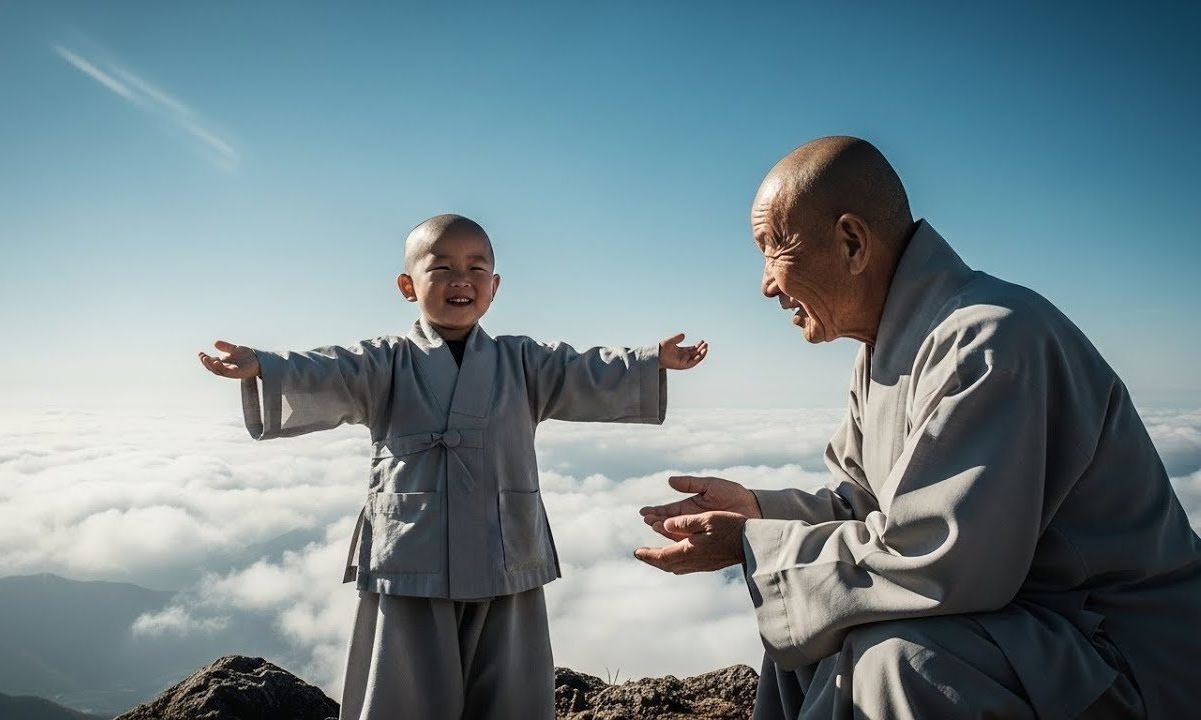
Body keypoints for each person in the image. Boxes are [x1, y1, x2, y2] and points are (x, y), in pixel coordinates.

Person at [634, 137, 1201, 719]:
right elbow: (867, 508)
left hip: (1120, 654)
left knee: (900, 662)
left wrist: (753, 546)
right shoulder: (884, 351)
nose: (765, 285)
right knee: (803, 634)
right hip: (1026, 627)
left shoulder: (988, 340)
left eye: (773, 247)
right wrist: (757, 509)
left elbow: (939, 558)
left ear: (852, 242)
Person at [199, 213, 707, 720]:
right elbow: (327, 368)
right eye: (440, 268)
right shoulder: (384, 362)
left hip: (504, 550)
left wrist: (645, 361)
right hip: (412, 556)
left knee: (511, 694)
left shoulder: (523, 361)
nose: (460, 279)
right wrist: (265, 366)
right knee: (405, 695)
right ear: (407, 285)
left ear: (495, 285)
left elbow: (584, 369)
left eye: (476, 267)